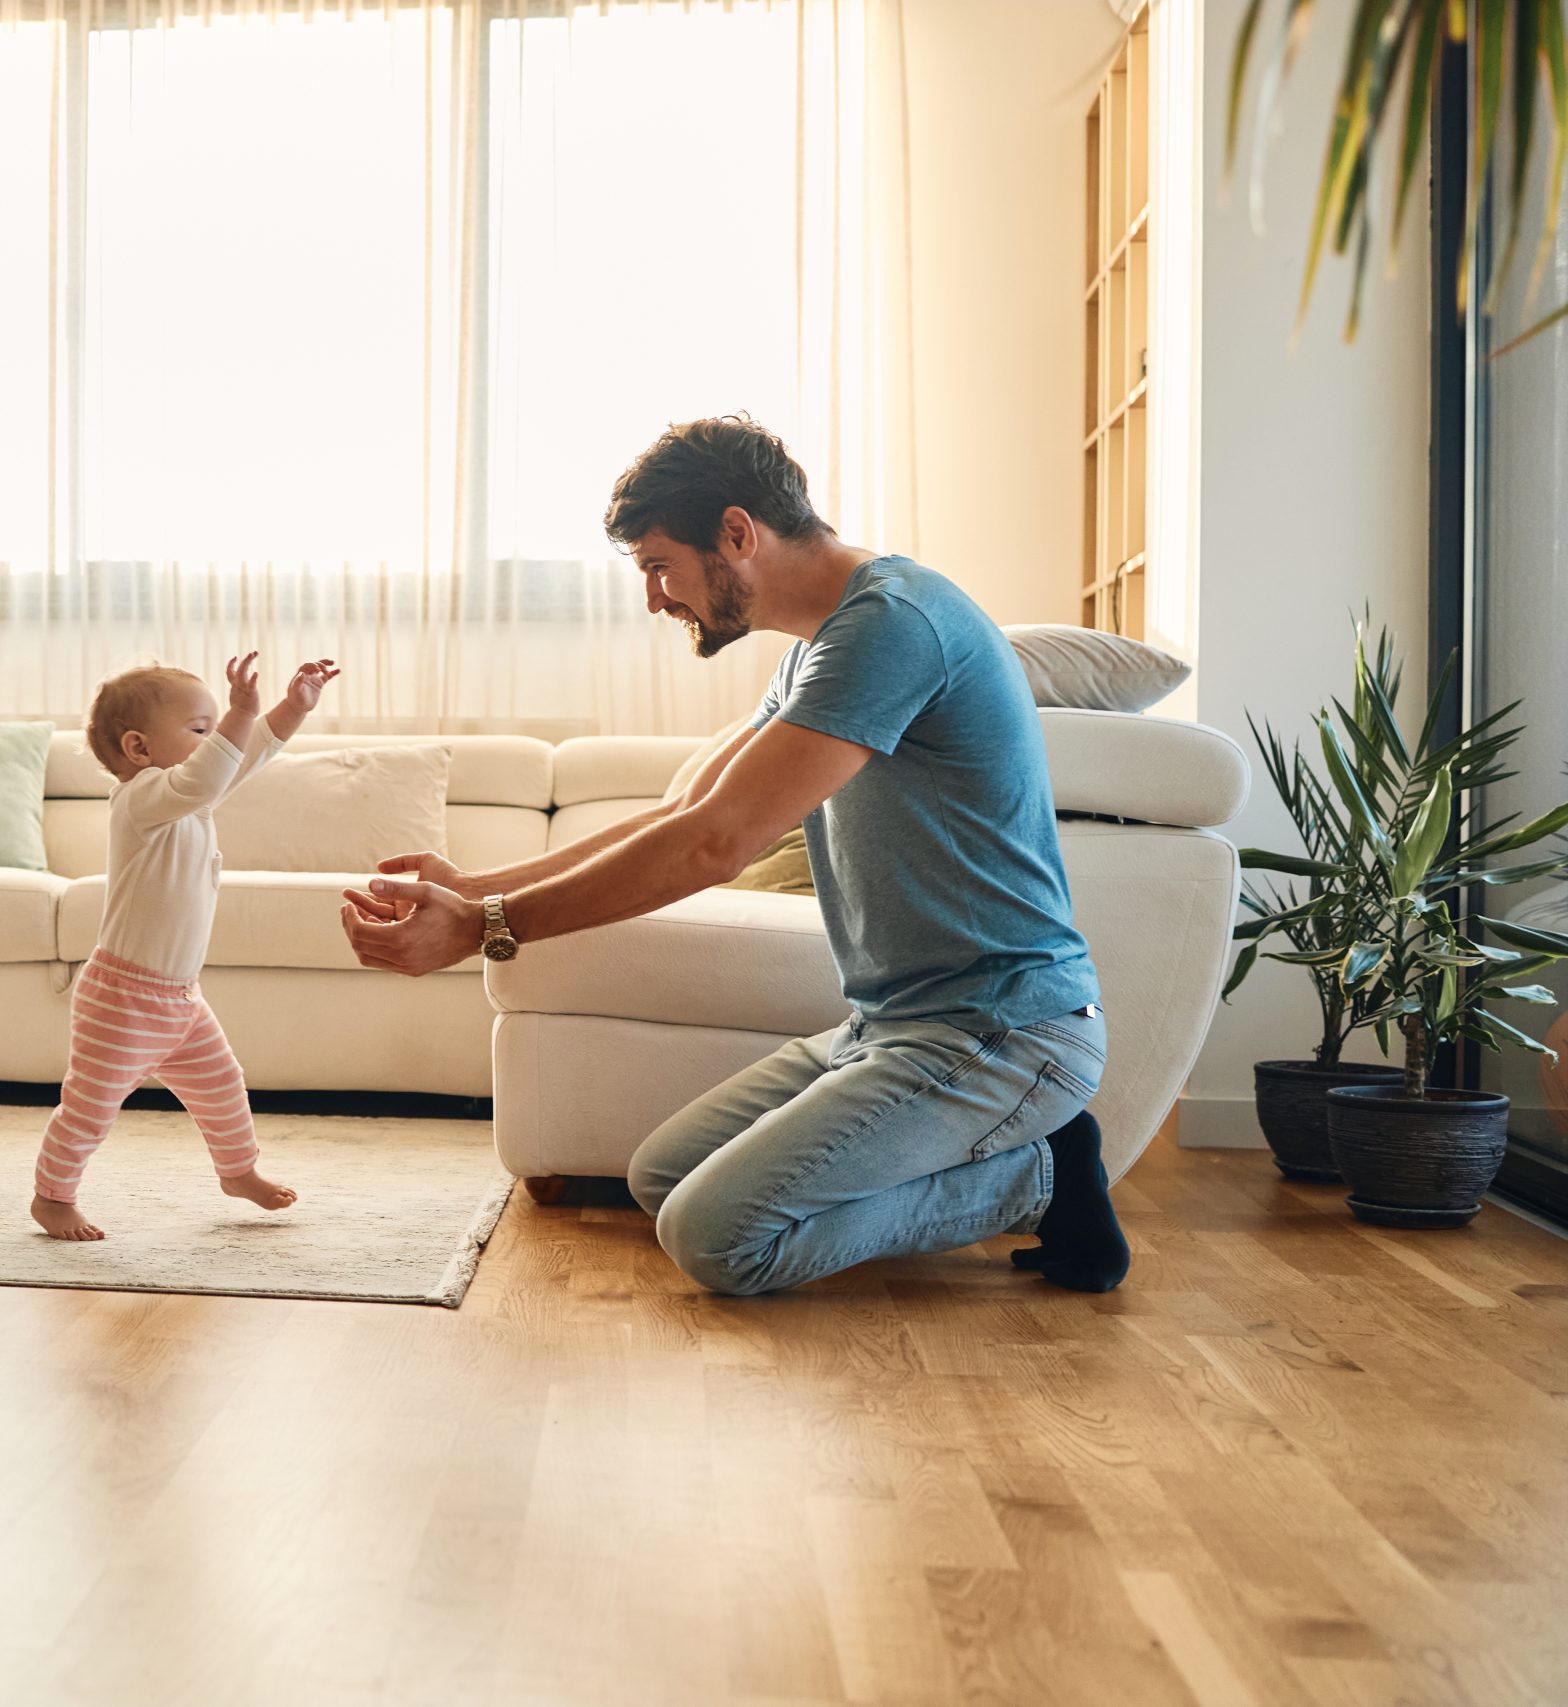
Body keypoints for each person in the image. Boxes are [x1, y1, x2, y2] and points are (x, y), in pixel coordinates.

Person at [340, 415, 1129, 1295]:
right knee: (660, 1177)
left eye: (658, 565)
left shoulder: (892, 626)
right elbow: (685, 812)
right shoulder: (818, 650)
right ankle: (1010, 1156)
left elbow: (717, 845)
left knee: (716, 1238)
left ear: (737, 533)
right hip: (888, 1027)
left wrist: (486, 925)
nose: (655, 598)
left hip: (1002, 1030)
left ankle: (1046, 1174)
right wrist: (472, 887)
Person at [31, 653, 339, 1240]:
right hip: (122, 999)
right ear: (139, 749)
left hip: (180, 999)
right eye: (202, 730)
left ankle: (238, 1171)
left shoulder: (191, 799)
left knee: (223, 1086)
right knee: (91, 1108)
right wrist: (240, 712)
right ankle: (52, 1197)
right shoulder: (142, 798)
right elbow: (208, 773)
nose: (219, 739)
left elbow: (240, 758)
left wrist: (291, 708)